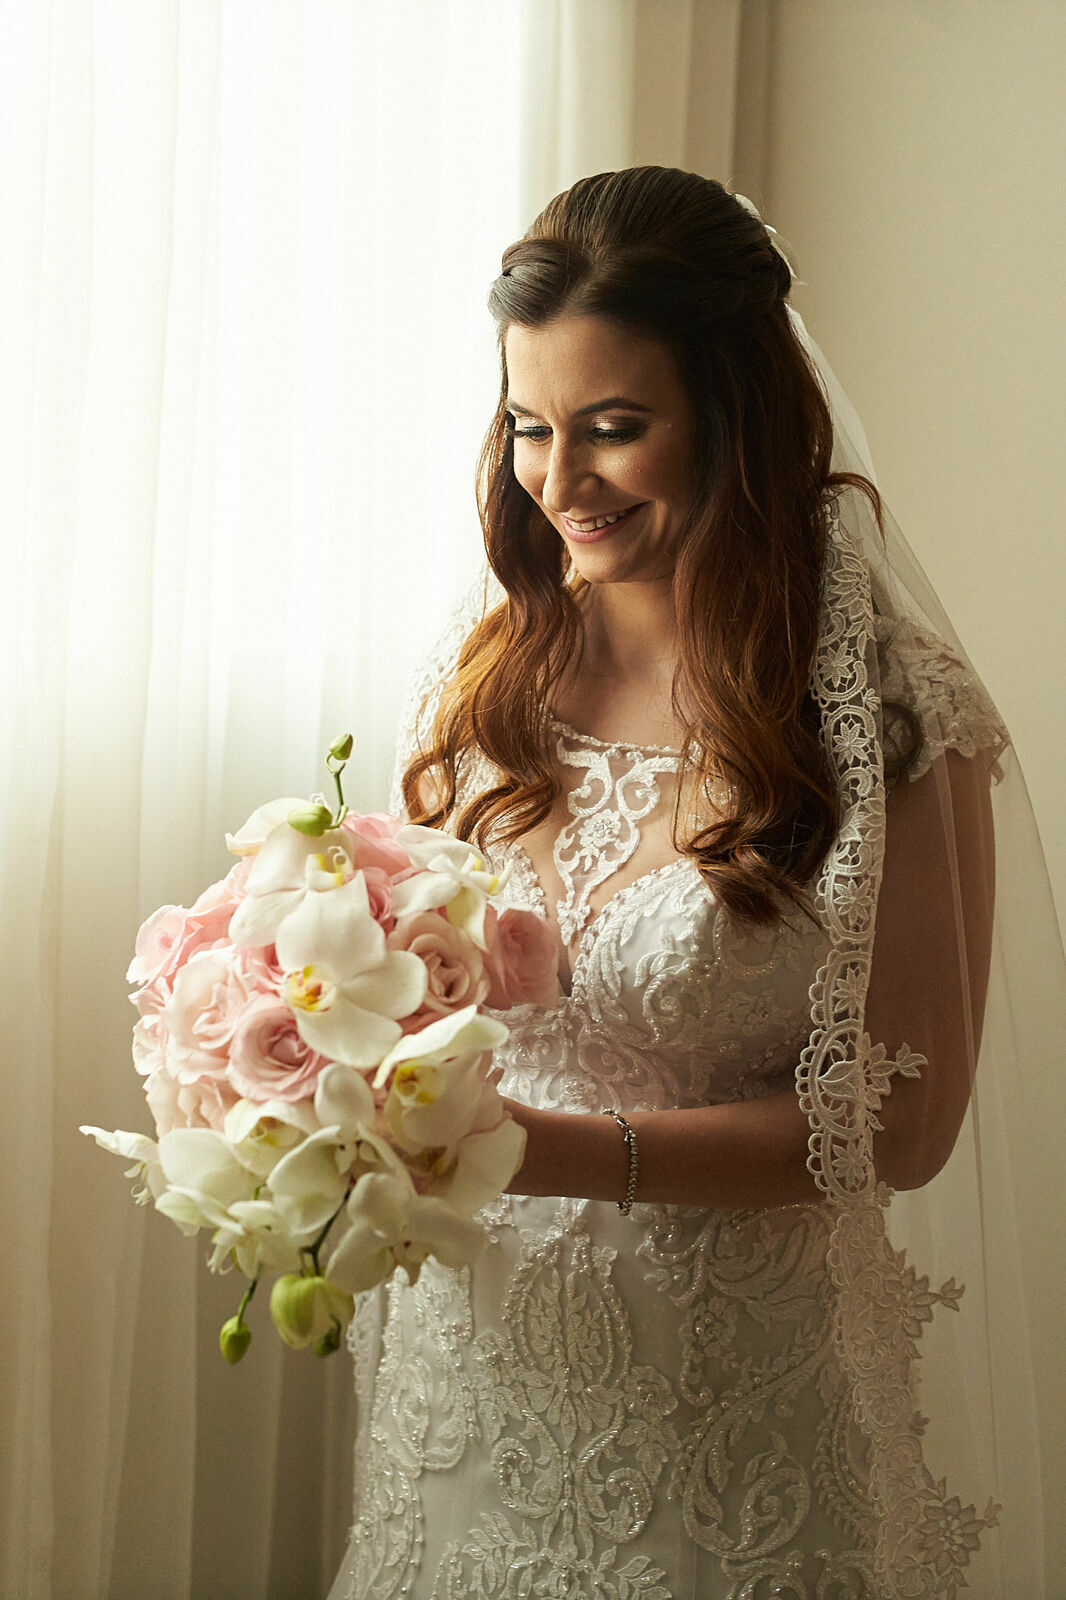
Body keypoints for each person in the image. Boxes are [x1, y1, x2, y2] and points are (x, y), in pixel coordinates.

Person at [328, 168, 1059, 1599]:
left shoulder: (890, 711)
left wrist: (545, 1150)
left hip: (727, 1431)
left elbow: (899, 1126)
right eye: (529, 426)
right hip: (472, 1393)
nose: (558, 479)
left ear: (737, 415)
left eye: (613, 428)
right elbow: (387, 972)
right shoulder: (483, 676)